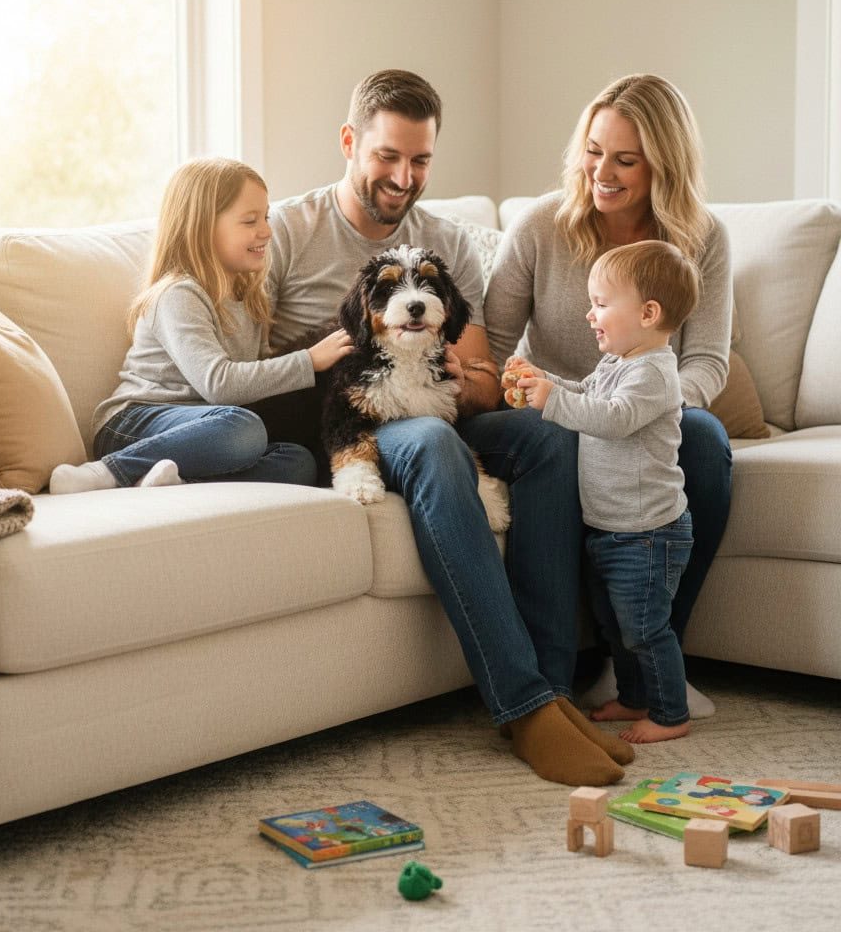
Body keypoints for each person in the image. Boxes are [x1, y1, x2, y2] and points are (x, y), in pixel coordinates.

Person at [266, 68, 632, 786]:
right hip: (351, 424)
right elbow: (253, 364)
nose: (404, 177)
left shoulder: (447, 244)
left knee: (548, 439)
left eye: (421, 160)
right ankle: (523, 705)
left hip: (429, 402)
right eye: (387, 157)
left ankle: (555, 685)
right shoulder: (287, 232)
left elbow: (480, 382)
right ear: (349, 142)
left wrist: (468, 377)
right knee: (433, 444)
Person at [484, 73, 732, 718]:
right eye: (594, 151)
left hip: (649, 408)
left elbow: (705, 359)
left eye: (625, 159)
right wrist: (514, 386)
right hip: (559, 407)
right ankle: (585, 671)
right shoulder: (541, 226)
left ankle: (654, 662)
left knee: (704, 442)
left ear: (663, 165)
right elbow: (492, 343)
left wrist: (654, 412)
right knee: (554, 441)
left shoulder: (701, 238)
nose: (603, 170)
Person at [49, 157, 353, 495]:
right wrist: (308, 361)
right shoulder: (178, 294)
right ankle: (108, 471)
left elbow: (256, 377)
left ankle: (175, 482)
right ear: (203, 228)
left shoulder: (249, 298)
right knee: (242, 427)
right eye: (250, 220)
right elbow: (219, 384)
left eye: (265, 217)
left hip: (203, 431)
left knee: (298, 461)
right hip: (135, 425)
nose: (267, 231)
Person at [512, 239, 701, 744]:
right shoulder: (618, 362)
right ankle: (635, 696)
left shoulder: (655, 374)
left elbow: (612, 420)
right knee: (615, 627)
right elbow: (586, 395)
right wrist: (541, 378)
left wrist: (549, 400)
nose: (589, 314)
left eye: (600, 303)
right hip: (612, 528)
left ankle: (669, 712)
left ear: (648, 313)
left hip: (648, 533)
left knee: (644, 628)